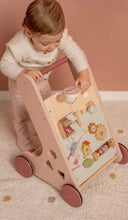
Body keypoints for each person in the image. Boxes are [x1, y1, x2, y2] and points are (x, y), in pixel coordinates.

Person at [0, 0, 91, 152]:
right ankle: (24, 140)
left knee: (46, 110)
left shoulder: (57, 37)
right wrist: (23, 72)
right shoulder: (19, 45)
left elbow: (75, 52)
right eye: (45, 43)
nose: (53, 47)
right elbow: (4, 64)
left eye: (57, 41)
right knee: (22, 115)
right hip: (20, 86)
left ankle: (43, 133)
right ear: (29, 33)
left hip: (42, 82)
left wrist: (84, 73)